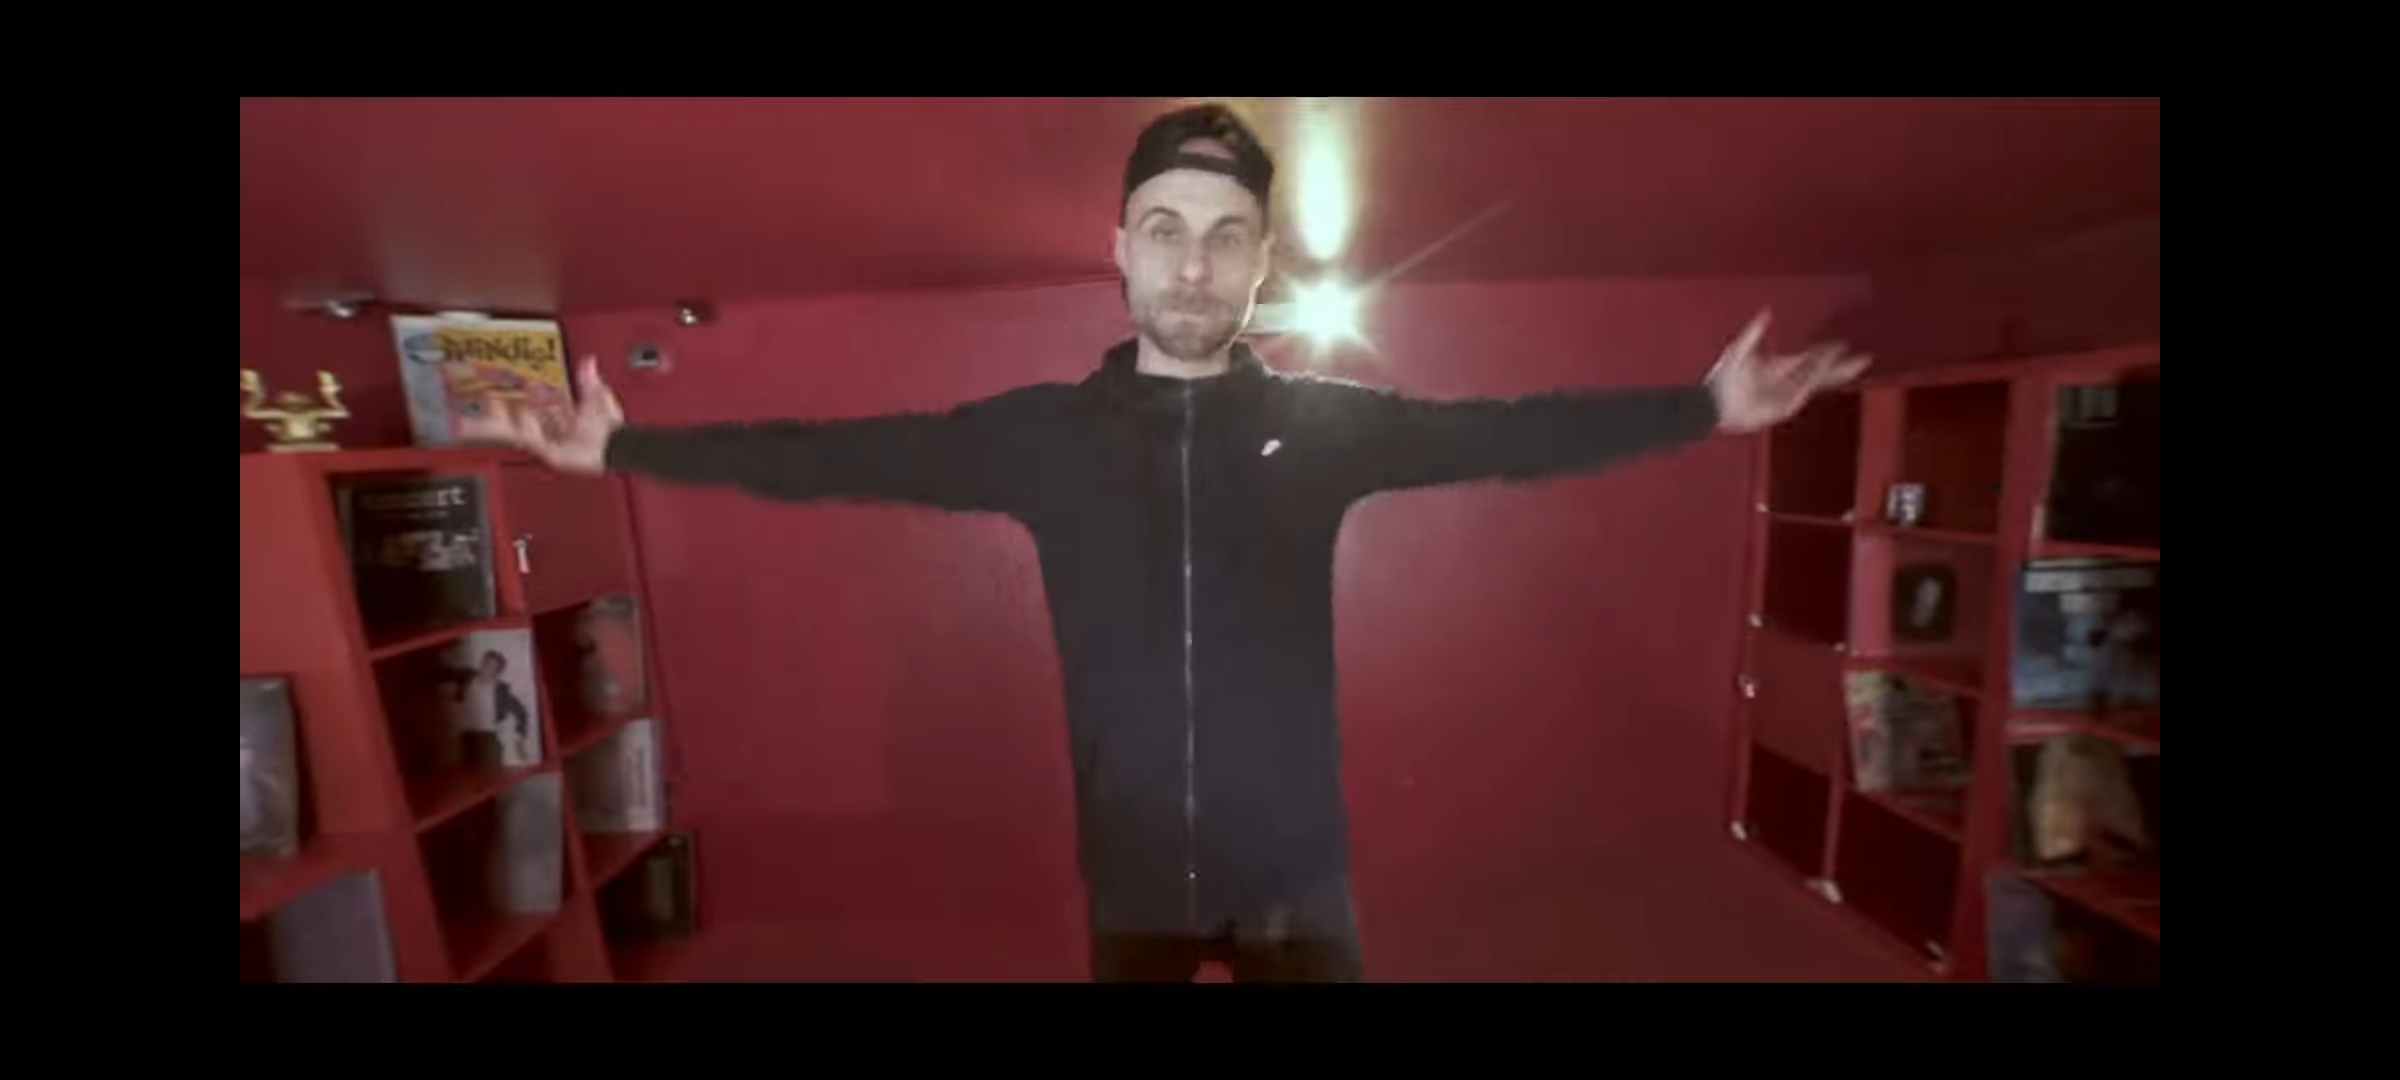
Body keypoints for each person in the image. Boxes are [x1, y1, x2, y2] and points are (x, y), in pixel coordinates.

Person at [462, 103, 1869, 982]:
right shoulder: (1040, 437)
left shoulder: (1328, 427)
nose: (1194, 263)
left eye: (1227, 236)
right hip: (1132, 877)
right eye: (1166, 229)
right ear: (1121, 246)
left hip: (1300, 882)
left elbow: (1504, 432)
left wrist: (1703, 408)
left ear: (1260, 261)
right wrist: (625, 449)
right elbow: (839, 456)